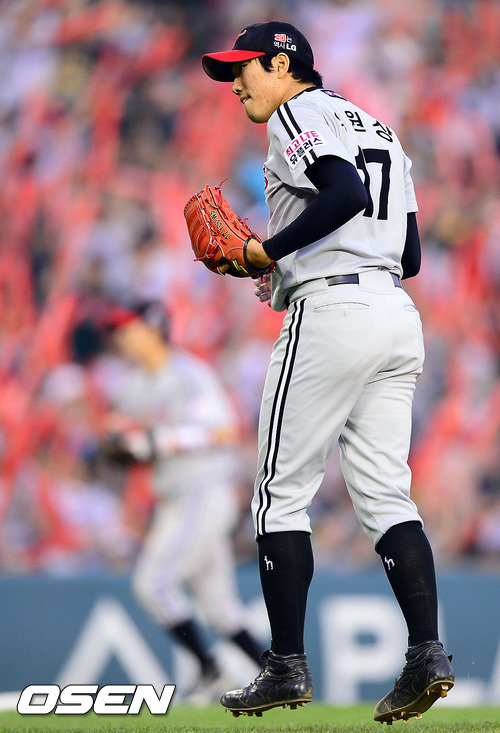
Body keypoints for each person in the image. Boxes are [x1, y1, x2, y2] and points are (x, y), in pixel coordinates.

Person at [201, 20, 455, 724]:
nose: (236, 83)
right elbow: (408, 254)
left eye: (244, 67)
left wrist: (268, 252)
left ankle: (284, 663)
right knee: (386, 496)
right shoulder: (380, 129)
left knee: (279, 495)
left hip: (332, 315)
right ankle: (427, 652)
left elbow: (342, 192)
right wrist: (295, 263)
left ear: (283, 64)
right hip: (394, 313)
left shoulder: (295, 112)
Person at [99, 301, 262, 703]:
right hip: (177, 496)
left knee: (153, 586)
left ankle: (210, 671)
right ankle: (275, 673)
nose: (121, 337)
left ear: (153, 329)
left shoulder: (187, 374)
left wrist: (157, 440)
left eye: (128, 328)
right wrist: (124, 441)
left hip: (202, 492)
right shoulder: (137, 384)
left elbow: (224, 432)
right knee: (220, 609)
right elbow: (129, 437)